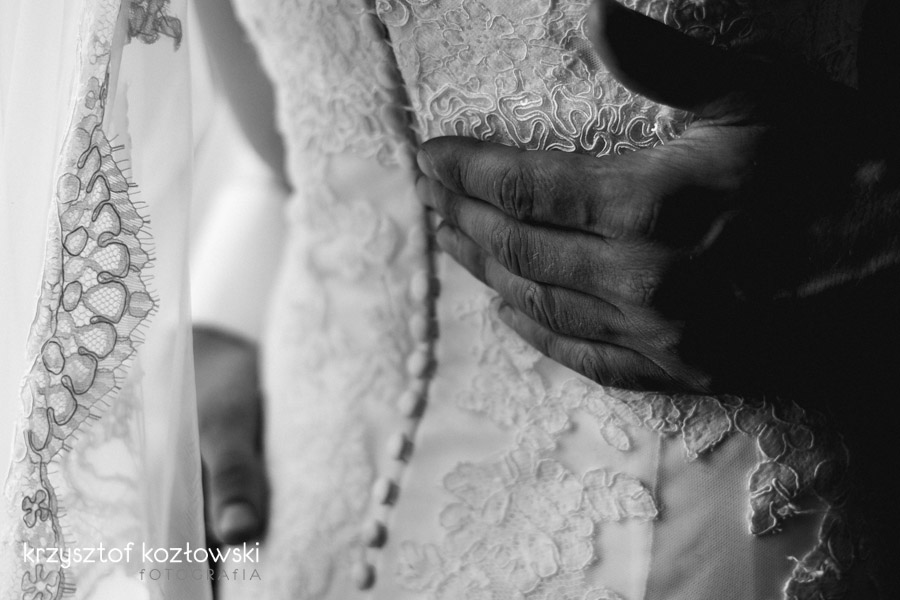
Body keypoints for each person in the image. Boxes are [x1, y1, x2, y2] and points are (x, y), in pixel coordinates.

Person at [193, 0, 899, 598]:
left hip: (709, 523)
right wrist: (222, 316)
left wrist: (880, 234)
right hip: (303, 498)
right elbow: (285, 134)